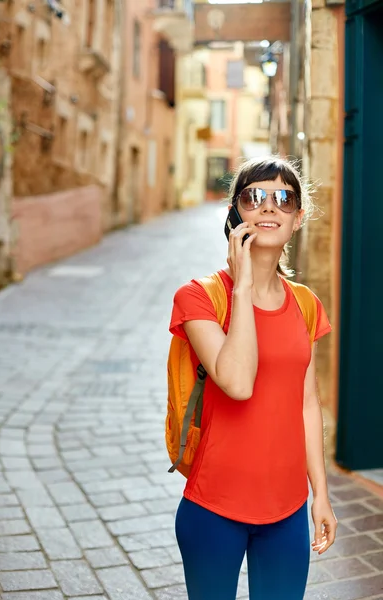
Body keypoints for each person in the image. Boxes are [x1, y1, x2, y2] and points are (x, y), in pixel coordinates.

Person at [169, 156, 338, 600]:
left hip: (287, 513)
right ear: (235, 213)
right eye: (253, 197)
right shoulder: (198, 298)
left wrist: (320, 493)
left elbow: (306, 403)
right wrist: (242, 286)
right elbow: (238, 382)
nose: (268, 207)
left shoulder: (306, 305)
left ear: (298, 218)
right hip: (213, 509)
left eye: (283, 199)